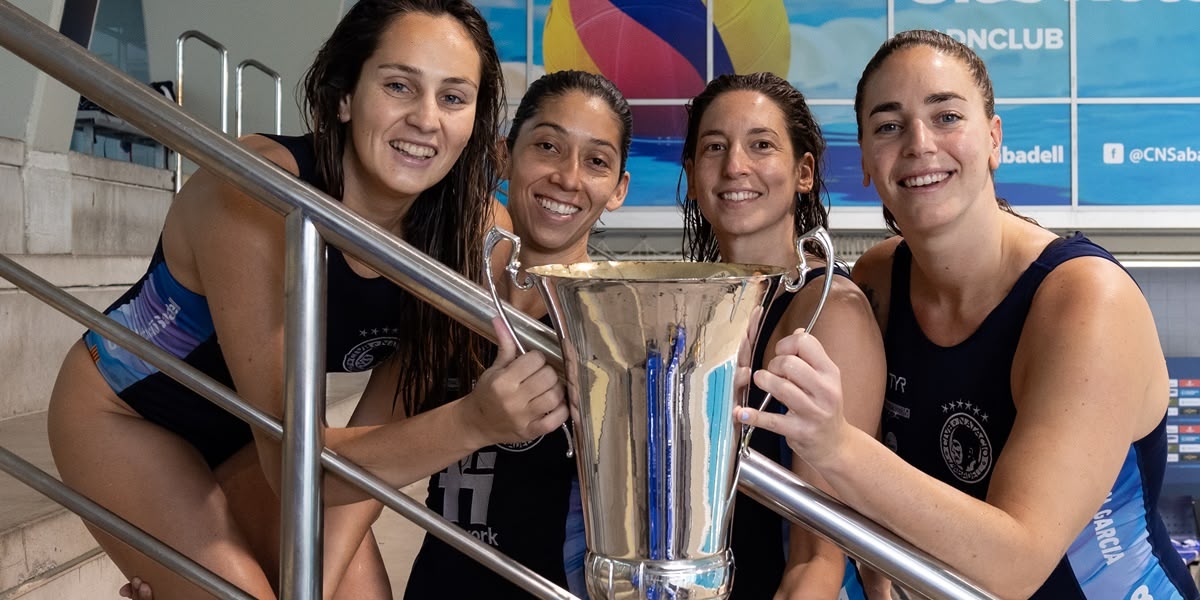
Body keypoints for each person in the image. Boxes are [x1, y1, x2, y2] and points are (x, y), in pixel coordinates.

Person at [48, 1, 567, 599]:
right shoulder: (254, 194)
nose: (426, 120)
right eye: (399, 86)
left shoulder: (470, 236)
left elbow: (369, 448)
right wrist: (476, 421)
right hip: (130, 411)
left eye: (453, 98)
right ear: (344, 96)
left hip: (260, 436)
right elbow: (295, 465)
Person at [740, 29, 1200, 599]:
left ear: (993, 139)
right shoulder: (880, 280)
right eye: (888, 126)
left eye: (947, 116)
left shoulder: (1085, 302)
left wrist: (836, 446)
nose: (918, 144)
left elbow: (1016, 564)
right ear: (865, 161)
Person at [404, 69, 630, 600]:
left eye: (596, 161)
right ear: (505, 156)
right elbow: (363, 466)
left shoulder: (618, 331)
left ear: (618, 189)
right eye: (548, 146)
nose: (568, 178)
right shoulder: (456, 299)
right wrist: (472, 422)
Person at [678, 72, 888, 600]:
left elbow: (819, 556)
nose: (735, 166)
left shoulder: (829, 313)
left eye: (761, 145)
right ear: (691, 171)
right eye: (715, 147)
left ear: (803, 172)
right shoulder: (688, 307)